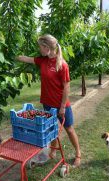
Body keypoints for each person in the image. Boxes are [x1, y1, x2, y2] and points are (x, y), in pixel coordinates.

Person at [16, 34, 81, 167]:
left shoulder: (62, 65)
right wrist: (13, 56)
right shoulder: (43, 61)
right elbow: (27, 59)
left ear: (47, 48)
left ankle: (78, 153)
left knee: (69, 128)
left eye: (40, 47)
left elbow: (66, 87)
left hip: (61, 105)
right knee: (52, 128)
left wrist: (62, 107)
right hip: (47, 103)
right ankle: (53, 151)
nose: (39, 49)